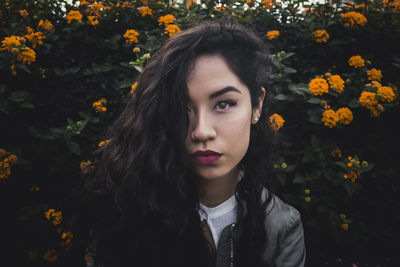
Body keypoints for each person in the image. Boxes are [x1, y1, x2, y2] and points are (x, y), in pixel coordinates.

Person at [77, 19, 306, 267]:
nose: (201, 131)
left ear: (257, 105)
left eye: (223, 104)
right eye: (181, 109)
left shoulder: (282, 227)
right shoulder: (122, 212)